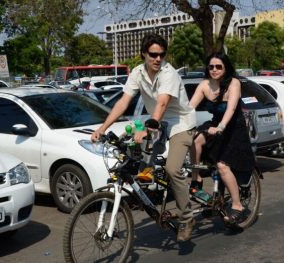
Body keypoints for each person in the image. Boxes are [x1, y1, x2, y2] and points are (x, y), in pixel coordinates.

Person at [91, 34, 197, 242]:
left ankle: (187, 217)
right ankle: (151, 197)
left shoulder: (169, 73)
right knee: (136, 162)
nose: (158, 59)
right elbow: (123, 102)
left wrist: (148, 131)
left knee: (172, 169)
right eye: (153, 54)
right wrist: (102, 128)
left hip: (180, 123)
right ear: (143, 54)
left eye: (162, 55)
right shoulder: (138, 73)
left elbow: (162, 104)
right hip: (157, 122)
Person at [189, 52, 256, 226]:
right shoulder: (204, 85)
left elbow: (231, 109)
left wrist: (221, 127)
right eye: (211, 66)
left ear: (226, 68)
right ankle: (196, 178)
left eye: (219, 66)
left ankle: (237, 205)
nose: (214, 70)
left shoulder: (234, 83)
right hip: (215, 126)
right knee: (195, 140)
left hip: (234, 128)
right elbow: (189, 108)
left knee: (222, 165)